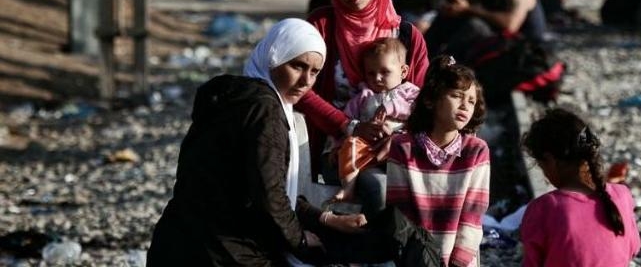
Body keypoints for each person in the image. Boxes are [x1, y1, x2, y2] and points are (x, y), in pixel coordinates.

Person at [147, 18, 436, 266]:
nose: (305, 82)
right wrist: (300, 240)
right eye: (297, 66)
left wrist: (325, 220)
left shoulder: (237, 96)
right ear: (274, 57)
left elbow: (266, 185)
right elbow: (268, 194)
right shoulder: (263, 110)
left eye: (314, 72)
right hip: (223, 252)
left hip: (181, 240)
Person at [295, 0, 429, 215]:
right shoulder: (322, 26)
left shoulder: (406, 36)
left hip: (399, 146)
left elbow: (425, 99)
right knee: (379, 188)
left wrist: (399, 140)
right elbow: (300, 88)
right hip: (344, 150)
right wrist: (350, 126)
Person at [386, 55, 490, 267]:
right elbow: (400, 211)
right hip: (414, 258)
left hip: (460, 261)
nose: (465, 105)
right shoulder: (403, 147)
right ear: (430, 100)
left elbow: (472, 216)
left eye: (471, 100)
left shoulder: (476, 151)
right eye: (456, 96)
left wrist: (458, 262)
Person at [520, 108, 641, 267]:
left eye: (542, 167)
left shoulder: (544, 208)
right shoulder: (622, 195)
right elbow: (633, 248)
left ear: (550, 160)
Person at [334, 37, 420, 202]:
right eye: (371, 73)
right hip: (368, 151)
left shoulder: (410, 92)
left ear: (403, 72)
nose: (377, 78)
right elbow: (347, 122)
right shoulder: (364, 97)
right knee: (350, 144)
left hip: (400, 150)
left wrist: (390, 107)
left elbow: (418, 113)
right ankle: (348, 188)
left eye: (385, 72)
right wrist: (338, 145)